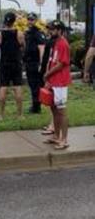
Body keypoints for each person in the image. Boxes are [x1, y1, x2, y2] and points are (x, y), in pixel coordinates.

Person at [43, 20, 71, 150]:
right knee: (54, 109)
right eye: (50, 29)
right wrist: (48, 77)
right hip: (54, 80)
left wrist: (48, 74)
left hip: (60, 81)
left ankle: (64, 140)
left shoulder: (63, 44)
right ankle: (56, 136)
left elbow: (61, 63)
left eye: (53, 29)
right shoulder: (56, 43)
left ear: (60, 30)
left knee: (61, 111)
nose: (51, 31)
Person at [0, 12, 25, 120]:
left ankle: (1, 115)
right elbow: (23, 47)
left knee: (3, 87)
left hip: (4, 63)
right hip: (16, 63)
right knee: (17, 87)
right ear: (14, 21)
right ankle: (20, 114)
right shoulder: (20, 34)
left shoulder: (0, 35)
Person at [24, 13, 46, 114]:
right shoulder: (28, 33)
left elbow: (41, 48)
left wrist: (41, 63)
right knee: (32, 85)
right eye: (28, 19)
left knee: (36, 85)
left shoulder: (37, 33)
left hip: (35, 62)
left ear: (36, 20)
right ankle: (35, 105)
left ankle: (36, 107)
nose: (30, 21)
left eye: (32, 19)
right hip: (29, 62)